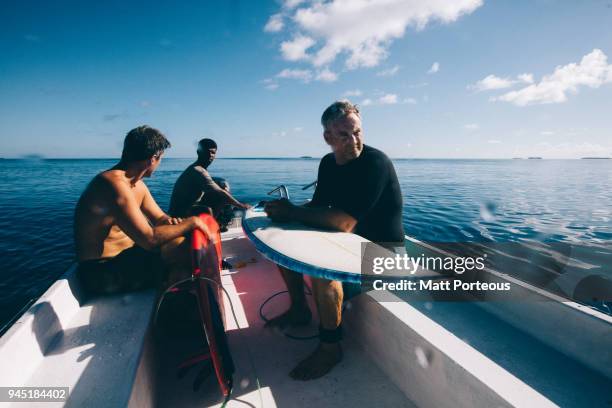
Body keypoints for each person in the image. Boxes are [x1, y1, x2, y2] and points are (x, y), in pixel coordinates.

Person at [264, 100, 405, 380]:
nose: (354, 141)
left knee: (322, 271)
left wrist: (293, 211)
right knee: (282, 245)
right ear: (328, 138)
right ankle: (300, 310)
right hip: (349, 243)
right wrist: (285, 212)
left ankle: (330, 348)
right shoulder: (328, 164)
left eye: (358, 132)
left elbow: (344, 221)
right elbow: (318, 207)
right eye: (344, 135)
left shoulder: (375, 163)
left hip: (383, 254)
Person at [74, 125, 211, 295]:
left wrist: (173, 223)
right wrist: (192, 222)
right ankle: (173, 306)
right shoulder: (113, 184)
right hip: (101, 273)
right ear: (153, 158)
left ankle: (174, 292)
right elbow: (150, 239)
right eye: (161, 159)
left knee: (181, 243)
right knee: (184, 252)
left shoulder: (135, 184)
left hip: (126, 258)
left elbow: (160, 218)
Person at [169, 138, 250, 229]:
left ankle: (215, 222)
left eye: (213, 152)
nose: (210, 155)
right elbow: (220, 193)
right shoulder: (199, 171)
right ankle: (211, 228)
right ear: (199, 152)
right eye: (207, 152)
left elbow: (212, 185)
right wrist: (241, 205)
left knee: (221, 187)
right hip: (179, 215)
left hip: (186, 208)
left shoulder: (196, 168)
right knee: (221, 196)